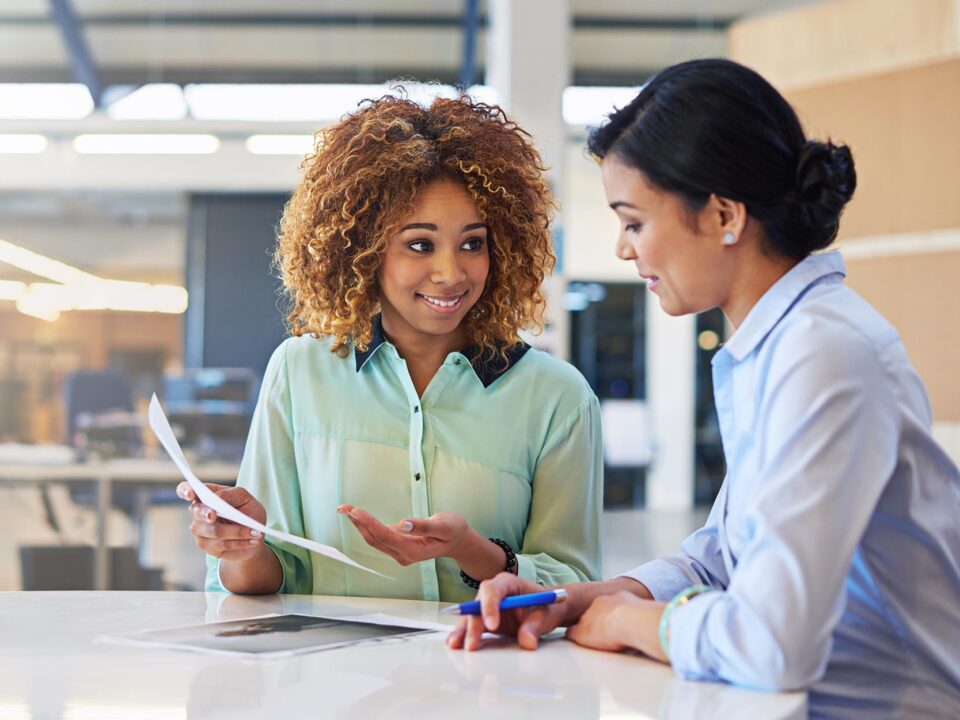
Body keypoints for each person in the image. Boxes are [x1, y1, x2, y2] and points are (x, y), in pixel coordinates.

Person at [448, 59, 960, 718]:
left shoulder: (824, 354)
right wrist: (586, 599)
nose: (625, 250)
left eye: (634, 221)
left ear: (722, 214)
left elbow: (774, 645)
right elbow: (722, 554)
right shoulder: (775, 346)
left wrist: (633, 622)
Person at [176, 92, 602, 603]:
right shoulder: (300, 372)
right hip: (335, 677)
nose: (450, 273)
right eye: (420, 244)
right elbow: (270, 580)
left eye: (473, 243)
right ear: (364, 251)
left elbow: (573, 583)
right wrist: (242, 548)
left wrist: (475, 552)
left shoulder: (557, 397)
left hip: (487, 675)